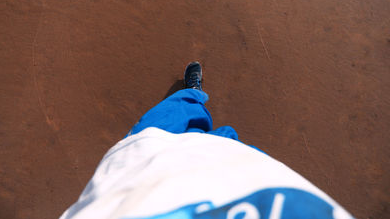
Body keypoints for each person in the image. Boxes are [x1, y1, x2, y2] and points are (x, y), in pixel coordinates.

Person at [60, 62, 353, 219]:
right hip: (241, 170)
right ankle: (196, 98)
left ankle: (194, 94)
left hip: (146, 159)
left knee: (177, 110)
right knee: (218, 137)